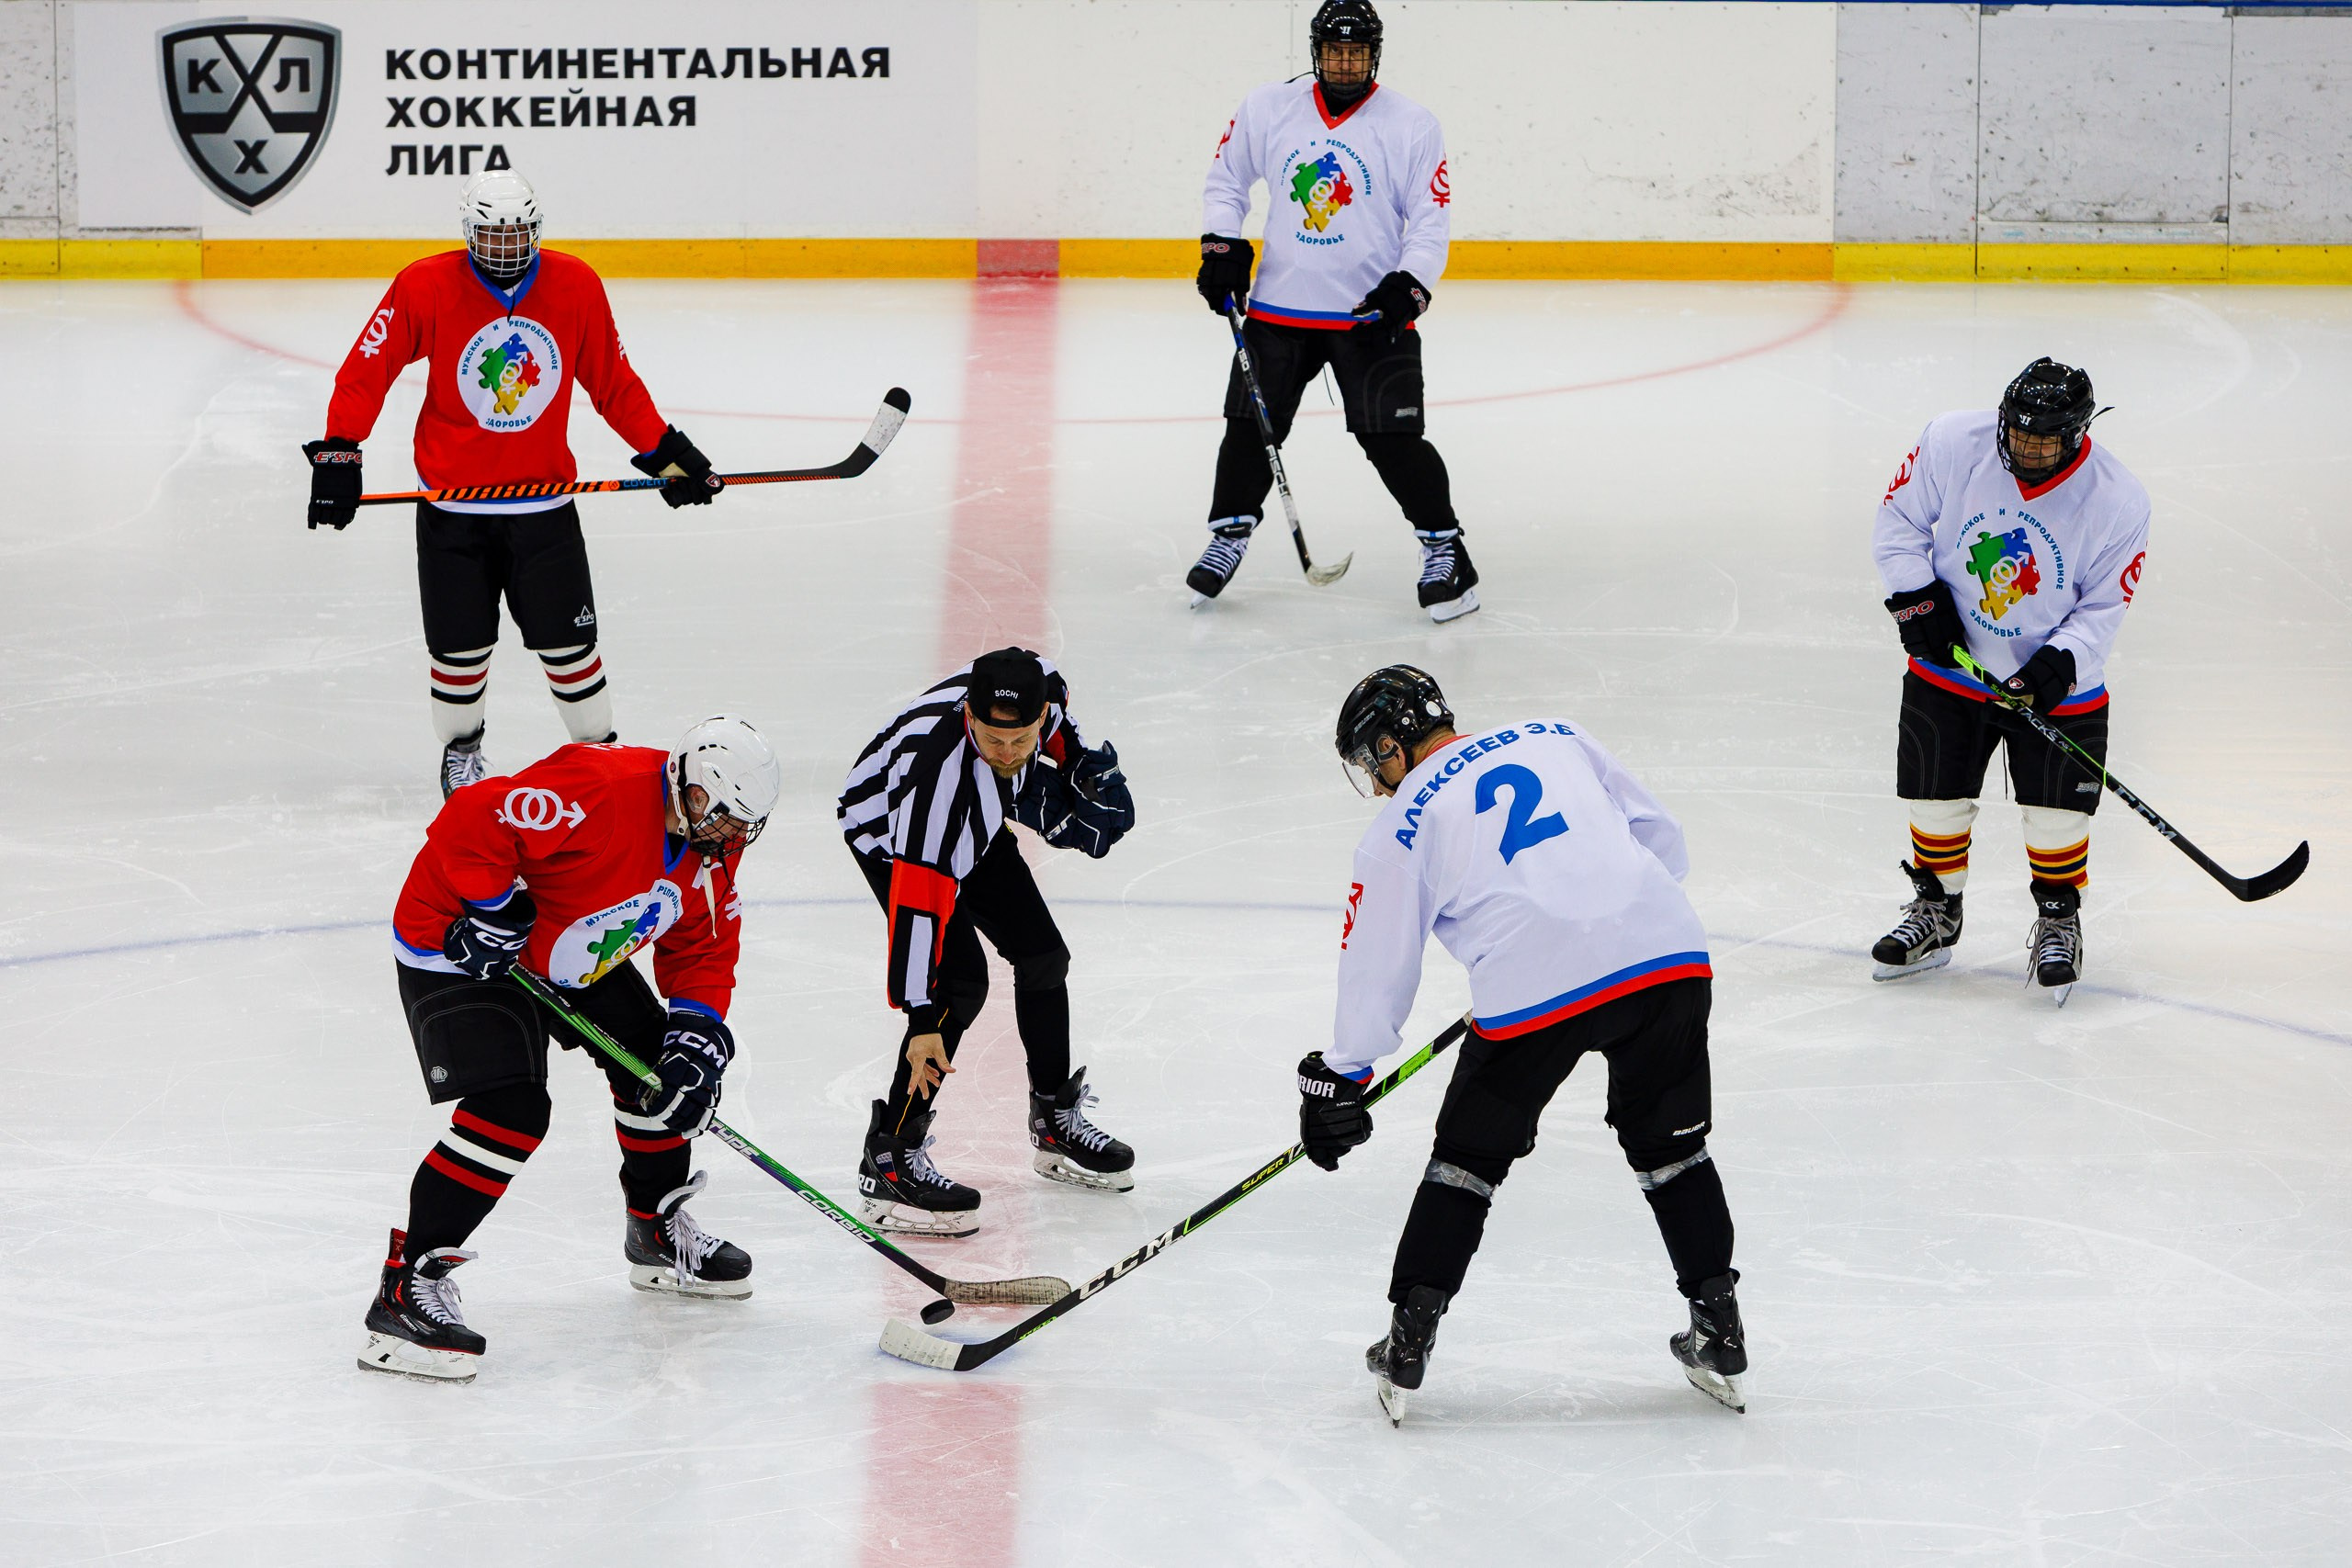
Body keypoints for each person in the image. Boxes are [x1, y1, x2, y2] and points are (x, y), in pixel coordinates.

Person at [1296, 666, 1746, 1421]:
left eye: (1373, 766)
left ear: (1390, 745)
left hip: (1538, 989)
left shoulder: (1404, 819)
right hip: (1667, 953)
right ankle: (1721, 1326)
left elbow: (1377, 962)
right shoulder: (1556, 734)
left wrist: (1343, 1073)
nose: (1377, 786)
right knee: (1673, 1149)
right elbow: (1661, 838)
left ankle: (1410, 1340)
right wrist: (1604, 927)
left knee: (1468, 1157)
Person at [358, 716, 779, 1382]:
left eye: (742, 827)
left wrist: (696, 1040)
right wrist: (492, 908)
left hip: (570, 948)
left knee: (659, 1070)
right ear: (693, 790)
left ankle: (656, 1230)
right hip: (458, 943)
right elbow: (475, 814)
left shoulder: (714, 846)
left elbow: (702, 946)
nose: (730, 838)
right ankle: (406, 1288)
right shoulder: (603, 786)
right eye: (723, 819)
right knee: (513, 1109)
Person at [303, 169, 725, 797]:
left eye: (519, 232)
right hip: (451, 504)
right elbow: (369, 366)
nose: (508, 246)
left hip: (543, 505)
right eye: (494, 234)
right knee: (459, 650)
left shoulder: (575, 284)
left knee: (571, 645)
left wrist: (667, 455)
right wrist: (341, 450)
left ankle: (600, 756)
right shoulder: (425, 285)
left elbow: (613, 381)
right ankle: (462, 751)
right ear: (469, 232)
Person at [1871, 357, 2150, 1001]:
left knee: (2057, 813)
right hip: (1953, 668)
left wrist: (2060, 663)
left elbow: (2105, 606)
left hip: (2054, 683)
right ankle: (1937, 911)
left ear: (2077, 435)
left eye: (2043, 438)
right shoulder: (1950, 441)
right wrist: (1917, 601)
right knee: (1932, 796)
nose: (2025, 446)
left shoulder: (2119, 499)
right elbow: (1898, 521)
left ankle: (2059, 919)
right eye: (2017, 432)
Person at [1188, 0, 1476, 622]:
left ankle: (1446, 550)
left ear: (1375, 54)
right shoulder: (1269, 107)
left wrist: (1411, 285)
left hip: (1368, 312)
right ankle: (1228, 535)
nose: (1345, 63)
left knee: (1392, 438)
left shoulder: (1411, 123)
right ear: (1316, 52)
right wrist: (1223, 246)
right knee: (1250, 428)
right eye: (1334, 51)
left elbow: (1431, 219)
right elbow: (1226, 180)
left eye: (1357, 51)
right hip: (1279, 305)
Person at [837, 649, 1138, 1236]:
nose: (1007, 752)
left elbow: (1060, 731)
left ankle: (1054, 1120)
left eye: (1020, 741)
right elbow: (917, 910)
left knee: (1044, 957)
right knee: (959, 986)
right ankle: (890, 1157)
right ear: (968, 714)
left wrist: (1074, 764)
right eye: (992, 739)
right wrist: (922, 1017)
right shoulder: (935, 788)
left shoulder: (1045, 694)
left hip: (974, 814)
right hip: (892, 831)